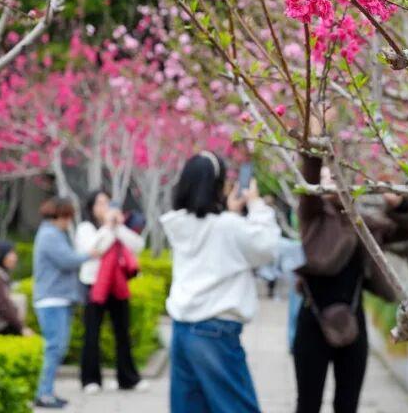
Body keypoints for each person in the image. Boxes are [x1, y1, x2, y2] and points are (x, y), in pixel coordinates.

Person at [294, 155, 408, 413]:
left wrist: (400, 204)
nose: (328, 182)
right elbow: (310, 182)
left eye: (334, 176)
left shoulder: (361, 223)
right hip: (313, 320)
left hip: (353, 321)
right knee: (308, 403)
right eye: (324, 177)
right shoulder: (312, 216)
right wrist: (314, 146)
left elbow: (403, 230)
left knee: (348, 404)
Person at [161, 151, 280, 413]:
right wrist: (257, 204)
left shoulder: (179, 224)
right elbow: (268, 246)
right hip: (215, 332)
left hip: (183, 329)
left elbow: (213, 228)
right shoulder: (227, 226)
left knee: (190, 407)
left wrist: (230, 211)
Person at [75, 189, 147, 394]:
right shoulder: (86, 228)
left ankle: (128, 378)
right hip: (94, 284)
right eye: (99, 203)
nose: (104, 207)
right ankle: (90, 379)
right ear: (91, 207)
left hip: (117, 285)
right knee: (92, 333)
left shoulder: (118, 228)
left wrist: (118, 227)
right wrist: (108, 227)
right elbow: (93, 248)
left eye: (107, 203)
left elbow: (137, 245)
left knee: (122, 332)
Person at [33, 197, 95, 410]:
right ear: (59, 215)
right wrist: (90, 255)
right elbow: (67, 260)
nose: (69, 222)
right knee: (54, 347)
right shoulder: (50, 235)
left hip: (58, 299)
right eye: (68, 217)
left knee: (57, 347)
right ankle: (44, 393)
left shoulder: (53, 233)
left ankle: (47, 391)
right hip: (52, 300)